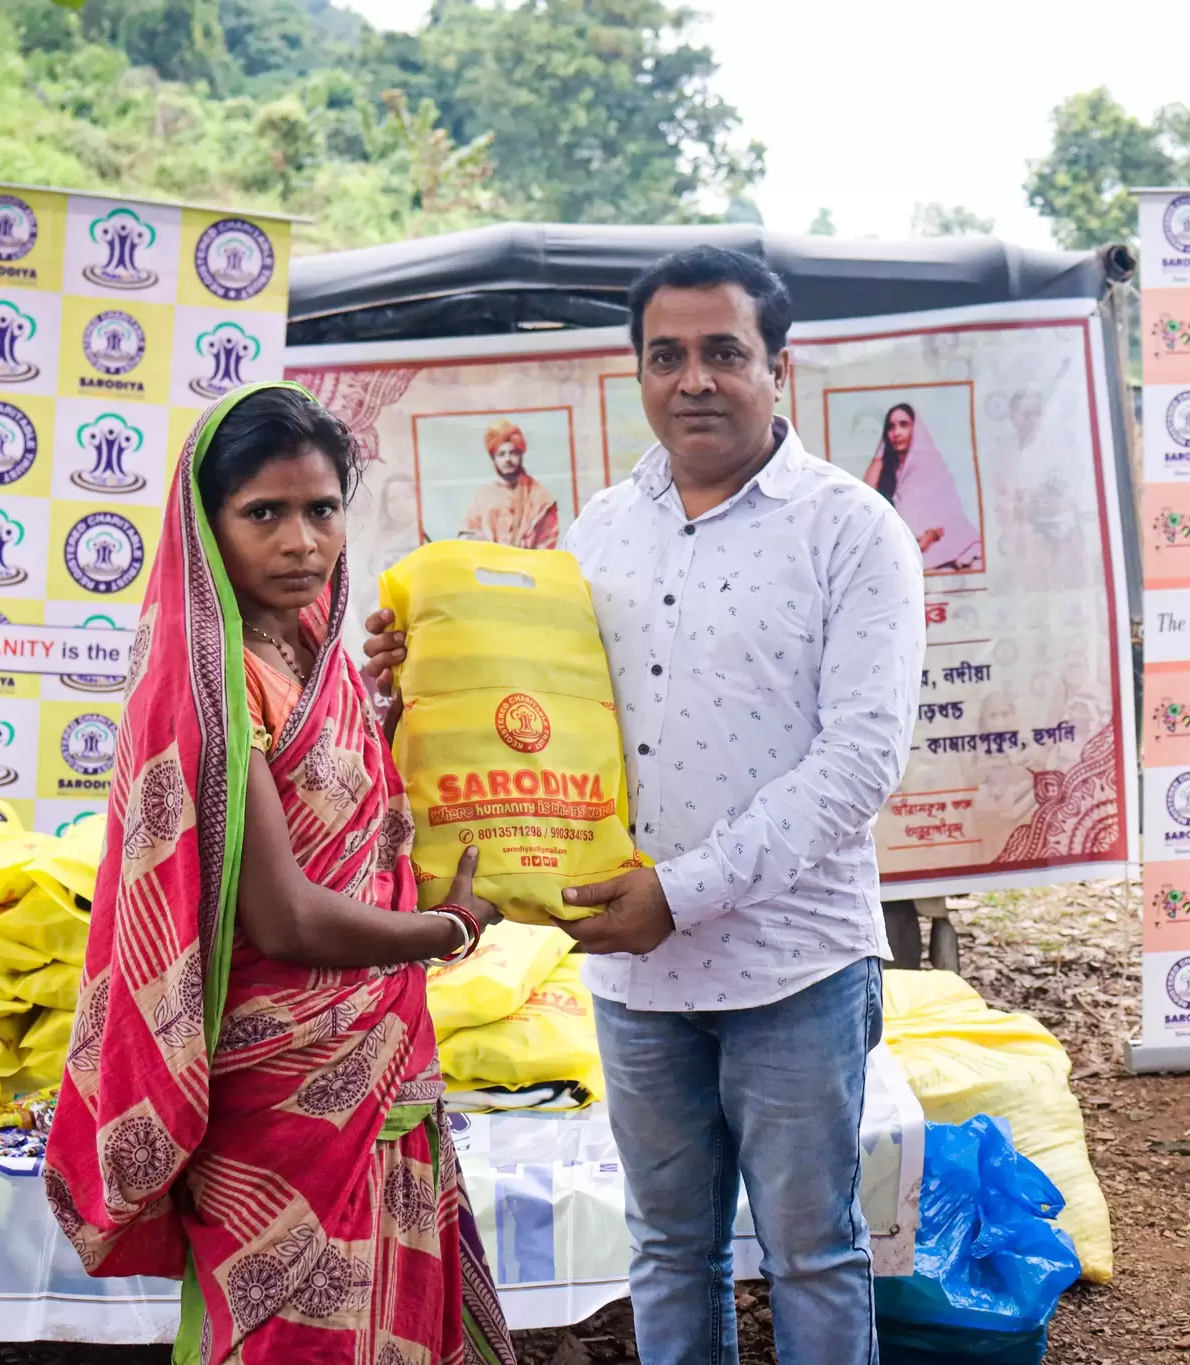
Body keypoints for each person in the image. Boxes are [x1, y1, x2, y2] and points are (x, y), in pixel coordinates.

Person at [367, 247, 926, 1364]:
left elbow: (860, 761)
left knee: (813, 1251)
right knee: (668, 1250)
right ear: (637, 373)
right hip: (635, 973)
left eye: (723, 353)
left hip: (792, 963)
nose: (693, 380)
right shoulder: (599, 533)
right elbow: (540, 710)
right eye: (665, 356)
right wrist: (419, 674)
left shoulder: (852, 530)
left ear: (778, 366)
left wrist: (681, 891)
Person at [43, 381, 516, 1365]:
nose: (302, 541)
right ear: (206, 524)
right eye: (264, 513)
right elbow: (288, 917)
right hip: (280, 1094)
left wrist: (403, 711)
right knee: (292, 1336)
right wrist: (452, 929)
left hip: (378, 1062)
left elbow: (336, 807)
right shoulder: (208, 684)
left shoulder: (309, 650)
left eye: (322, 509)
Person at [863, 401, 982, 573]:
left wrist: (932, 535)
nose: (896, 433)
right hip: (894, 542)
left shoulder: (932, 467)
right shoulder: (883, 468)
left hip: (931, 542)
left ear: (916, 429)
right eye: (891, 427)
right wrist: (879, 459)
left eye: (903, 425)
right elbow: (867, 507)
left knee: (965, 540)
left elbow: (951, 515)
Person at [458, 418, 560, 549]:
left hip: (528, 561)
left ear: (521, 455)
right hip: (489, 560)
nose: (507, 459)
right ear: (494, 459)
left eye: (513, 453)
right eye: (501, 454)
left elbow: (547, 545)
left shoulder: (541, 498)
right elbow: (466, 534)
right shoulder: (482, 496)